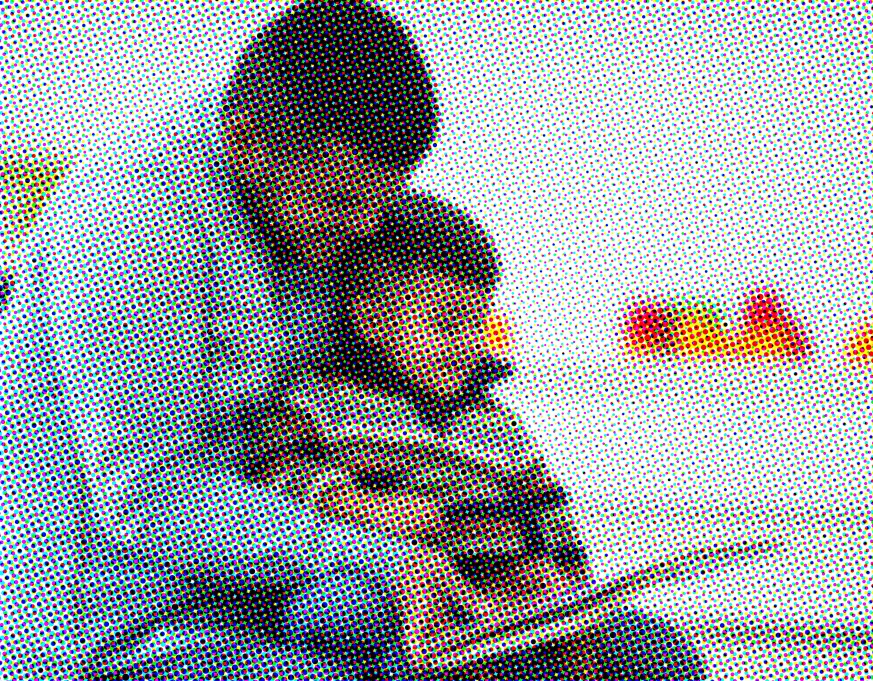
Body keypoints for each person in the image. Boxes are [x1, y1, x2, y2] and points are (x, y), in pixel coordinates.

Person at [1, 1, 460, 678]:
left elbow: (331, 417)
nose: (367, 228)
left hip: (263, 600)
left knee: (618, 646)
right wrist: (378, 553)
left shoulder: (317, 205)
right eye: (340, 201)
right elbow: (148, 496)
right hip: (113, 634)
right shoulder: (133, 220)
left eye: (382, 203)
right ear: (245, 141)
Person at [258, 193, 705, 679]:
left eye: (477, 321)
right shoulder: (320, 401)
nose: (466, 341)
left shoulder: (494, 422)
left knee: (661, 646)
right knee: (349, 606)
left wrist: (572, 603)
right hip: (397, 593)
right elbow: (288, 484)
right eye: (445, 321)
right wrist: (373, 509)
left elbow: (550, 521)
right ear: (370, 317)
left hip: (514, 603)